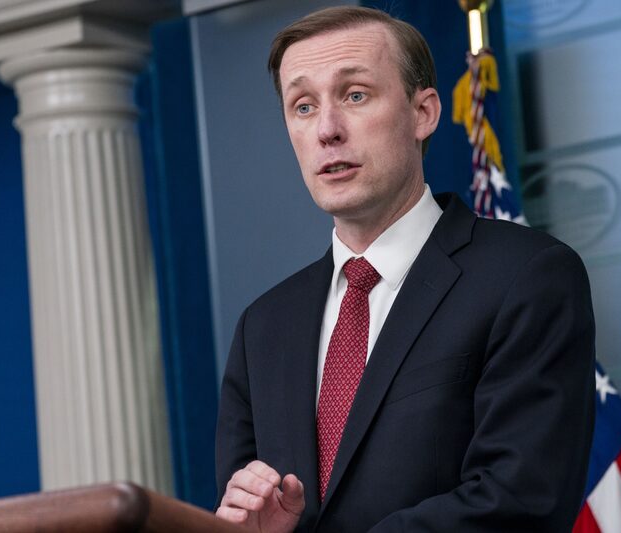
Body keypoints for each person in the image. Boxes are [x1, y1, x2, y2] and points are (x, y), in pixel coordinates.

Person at [214, 6, 595, 532]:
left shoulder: (527, 277)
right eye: (302, 106)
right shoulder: (263, 328)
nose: (327, 129)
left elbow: (519, 500)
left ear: (424, 113)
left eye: (355, 95)